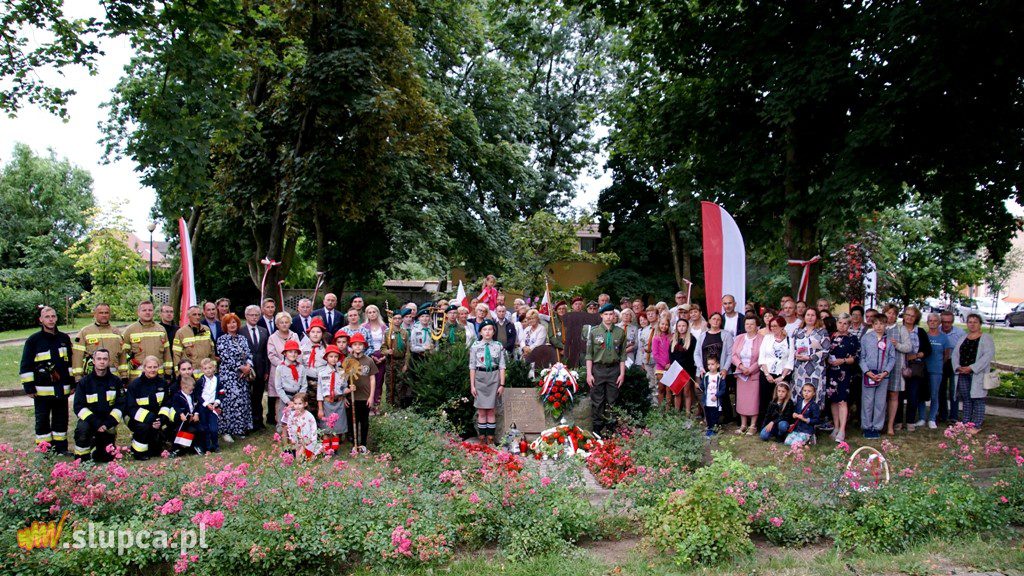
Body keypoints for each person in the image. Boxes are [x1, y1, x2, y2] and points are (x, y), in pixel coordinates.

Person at [20, 306, 73, 454]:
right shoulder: (33, 340)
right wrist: (29, 386)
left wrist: (72, 383)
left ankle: (61, 449)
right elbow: (26, 364)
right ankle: (44, 450)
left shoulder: (64, 338)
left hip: (61, 389)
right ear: (41, 320)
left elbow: (69, 363)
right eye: (47, 317)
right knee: (42, 420)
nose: (51, 319)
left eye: (53, 316)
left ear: (56, 318)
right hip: (41, 390)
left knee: (61, 420)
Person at [72, 348, 122, 461]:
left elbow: (120, 406)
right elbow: (78, 407)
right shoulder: (84, 382)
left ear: (109, 361)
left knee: (106, 458)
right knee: (82, 430)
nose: (102, 361)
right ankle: (82, 456)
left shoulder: (116, 381)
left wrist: (107, 423)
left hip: (107, 423)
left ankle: (97, 445)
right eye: (99, 359)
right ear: (93, 361)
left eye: (105, 359)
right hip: (89, 420)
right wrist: (96, 423)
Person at [585, 304, 627, 437]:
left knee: (612, 400)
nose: (609, 317)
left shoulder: (620, 333)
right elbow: (589, 355)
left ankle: (611, 429)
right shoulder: (594, 332)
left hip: (614, 370)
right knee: (597, 400)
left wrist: (622, 374)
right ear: (601, 315)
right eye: (606, 314)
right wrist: (589, 374)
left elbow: (622, 356)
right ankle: (597, 430)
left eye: (611, 314)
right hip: (598, 370)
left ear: (614, 316)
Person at [951, 314, 995, 430]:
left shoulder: (986, 338)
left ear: (980, 324)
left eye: (975, 322)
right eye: (970, 322)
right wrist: (958, 367)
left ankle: (976, 425)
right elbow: (955, 354)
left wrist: (972, 368)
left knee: (978, 399)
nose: (972, 324)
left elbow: (987, 356)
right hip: (962, 373)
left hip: (977, 374)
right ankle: (966, 423)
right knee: (966, 399)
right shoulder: (963, 338)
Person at [124, 355, 173, 460]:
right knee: (143, 427)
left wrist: (161, 419)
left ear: (159, 368)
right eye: (149, 367)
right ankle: (138, 452)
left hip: (157, 420)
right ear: (144, 368)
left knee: (155, 451)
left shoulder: (163, 383)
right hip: (137, 419)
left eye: (155, 367)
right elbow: (131, 408)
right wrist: (152, 419)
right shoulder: (135, 385)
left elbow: (166, 404)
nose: (152, 370)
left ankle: (158, 442)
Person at [216, 312, 253, 442]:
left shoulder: (242, 338)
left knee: (242, 401)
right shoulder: (222, 339)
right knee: (230, 402)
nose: (232, 325)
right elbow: (225, 357)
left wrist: (248, 366)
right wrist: (240, 367)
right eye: (229, 323)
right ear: (225, 325)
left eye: (234, 322)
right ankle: (226, 431)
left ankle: (240, 429)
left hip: (242, 377)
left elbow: (249, 354)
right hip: (229, 376)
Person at [469, 320, 506, 444]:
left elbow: (502, 366)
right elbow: (472, 367)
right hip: (480, 378)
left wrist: (502, 384)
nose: (487, 332)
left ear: (493, 331)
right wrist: (472, 385)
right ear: (480, 332)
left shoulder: (498, 346)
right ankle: (481, 438)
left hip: (494, 378)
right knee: (481, 411)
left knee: (491, 410)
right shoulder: (475, 346)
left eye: (490, 329)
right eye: (485, 329)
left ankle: (490, 438)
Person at [859, 315, 895, 439]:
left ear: (886, 325)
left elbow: (892, 358)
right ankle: (867, 426)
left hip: (883, 376)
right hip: (869, 375)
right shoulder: (866, 339)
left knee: (880, 402)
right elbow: (861, 357)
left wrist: (885, 372)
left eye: (882, 324)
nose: (879, 326)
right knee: (868, 401)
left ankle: (877, 426)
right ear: (872, 325)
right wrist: (867, 371)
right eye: (876, 324)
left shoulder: (889, 340)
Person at [883, 304, 917, 435]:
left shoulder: (901, 329)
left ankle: (891, 425)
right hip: (881, 367)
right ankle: (881, 423)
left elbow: (909, 347)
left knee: (894, 395)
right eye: (888, 313)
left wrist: (896, 344)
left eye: (893, 313)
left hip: (896, 367)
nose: (890, 315)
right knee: (881, 396)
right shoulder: (879, 327)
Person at [826, 313, 860, 443]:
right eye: (840, 322)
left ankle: (842, 430)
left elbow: (856, 357)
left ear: (849, 325)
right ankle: (836, 426)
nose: (842, 325)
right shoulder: (830, 337)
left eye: (845, 323)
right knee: (833, 400)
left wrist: (843, 360)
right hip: (831, 372)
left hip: (844, 373)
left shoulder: (853, 339)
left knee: (842, 401)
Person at [72, 303, 125, 381]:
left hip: (113, 378)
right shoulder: (85, 332)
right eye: (101, 313)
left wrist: (124, 375)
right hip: (92, 378)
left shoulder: (116, 332)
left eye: (106, 313)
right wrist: (78, 377)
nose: (104, 315)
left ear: (109, 314)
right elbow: (77, 356)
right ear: (95, 314)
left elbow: (122, 355)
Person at [122, 300, 174, 379]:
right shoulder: (130, 330)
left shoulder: (161, 330)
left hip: (158, 376)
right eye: (144, 310)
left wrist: (168, 373)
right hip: (137, 377)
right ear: (138, 312)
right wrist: (125, 373)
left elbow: (167, 354)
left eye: (150, 310)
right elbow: (123, 354)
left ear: (153, 312)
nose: (147, 312)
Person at [758, 317, 795, 426]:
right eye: (771, 326)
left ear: (782, 326)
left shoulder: (790, 340)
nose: (773, 328)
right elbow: (762, 358)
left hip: (782, 375)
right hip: (767, 373)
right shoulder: (767, 338)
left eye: (775, 326)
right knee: (765, 399)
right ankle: (763, 425)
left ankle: (779, 424)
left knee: (781, 400)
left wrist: (782, 377)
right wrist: (767, 374)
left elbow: (790, 360)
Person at [791, 308, 830, 409]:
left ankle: (813, 419)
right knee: (800, 391)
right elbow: (791, 348)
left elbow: (826, 350)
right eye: (808, 315)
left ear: (816, 317)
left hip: (815, 368)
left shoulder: (822, 332)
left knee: (814, 392)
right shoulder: (798, 331)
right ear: (804, 317)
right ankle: (799, 418)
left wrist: (810, 357)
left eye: (813, 315)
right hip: (800, 369)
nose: (810, 317)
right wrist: (795, 354)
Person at [900, 306, 931, 431]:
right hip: (900, 366)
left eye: (912, 316)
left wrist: (917, 355)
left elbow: (928, 350)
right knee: (899, 395)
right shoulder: (898, 329)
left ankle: (910, 421)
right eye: (907, 314)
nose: (909, 317)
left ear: (916, 318)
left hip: (915, 367)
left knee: (913, 395)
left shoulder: (920, 331)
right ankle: (897, 421)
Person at [317, 345, 353, 452]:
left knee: (337, 428)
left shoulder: (342, 372)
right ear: (326, 358)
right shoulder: (322, 373)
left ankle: (335, 449)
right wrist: (320, 408)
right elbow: (320, 392)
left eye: (336, 356)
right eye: (331, 356)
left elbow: (343, 388)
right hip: (327, 403)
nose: (333, 359)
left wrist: (349, 390)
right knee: (326, 428)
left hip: (339, 403)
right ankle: (326, 450)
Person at [267, 312, 299, 427]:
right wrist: (283, 364)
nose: (284, 325)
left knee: (294, 396)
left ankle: (294, 422)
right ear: (277, 324)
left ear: (290, 323)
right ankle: (280, 423)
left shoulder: (294, 335)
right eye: (281, 323)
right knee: (279, 396)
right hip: (278, 369)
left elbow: (298, 351)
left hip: (293, 369)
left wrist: (294, 363)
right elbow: (271, 355)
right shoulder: (272, 338)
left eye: (286, 322)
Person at [732, 317, 763, 435]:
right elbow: (733, 355)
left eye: (751, 324)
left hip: (754, 374)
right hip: (741, 373)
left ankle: (753, 425)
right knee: (742, 399)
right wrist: (741, 366)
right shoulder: (739, 338)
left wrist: (750, 369)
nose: (749, 326)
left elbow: (762, 358)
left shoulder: (761, 339)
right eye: (747, 324)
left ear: (757, 326)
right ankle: (743, 424)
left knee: (753, 399)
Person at [921, 313, 952, 429]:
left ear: (939, 323)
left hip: (937, 370)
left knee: (935, 394)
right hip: (923, 370)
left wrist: (939, 364)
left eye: (935, 321)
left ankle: (932, 418)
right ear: (927, 322)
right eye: (930, 320)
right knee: (922, 395)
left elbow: (946, 354)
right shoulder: (924, 335)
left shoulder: (944, 337)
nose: (933, 322)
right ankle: (922, 418)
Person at [242, 305, 271, 430]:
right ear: (246, 316)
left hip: (260, 368)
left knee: (258, 396)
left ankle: (258, 422)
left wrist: (266, 370)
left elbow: (266, 352)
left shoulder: (264, 330)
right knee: (247, 397)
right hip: (246, 370)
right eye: (251, 315)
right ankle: (247, 423)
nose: (254, 317)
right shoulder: (240, 331)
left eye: (256, 315)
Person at [347, 332, 378, 449]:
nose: (358, 347)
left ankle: (363, 444)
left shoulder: (369, 361)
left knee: (364, 422)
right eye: (355, 344)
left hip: (365, 397)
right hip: (352, 397)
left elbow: (372, 379)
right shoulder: (348, 360)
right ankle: (353, 444)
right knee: (352, 421)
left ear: (364, 346)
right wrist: (345, 395)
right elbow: (343, 380)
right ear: (352, 346)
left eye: (360, 344)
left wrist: (371, 396)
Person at [939, 310, 967, 423]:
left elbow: (964, 350)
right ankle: (942, 414)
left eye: (949, 322)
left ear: (952, 322)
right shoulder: (937, 331)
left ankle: (954, 415)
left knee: (953, 389)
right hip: (941, 363)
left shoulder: (960, 333)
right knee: (941, 389)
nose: (946, 324)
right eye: (944, 322)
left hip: (955, 363)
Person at [168, 373, 205, 457]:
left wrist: (196, 413)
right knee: (179, 432)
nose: (191, 391)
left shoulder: (192, 395)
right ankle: (175, 450)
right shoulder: (177, 396)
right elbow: (175, 406)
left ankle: (197, 447)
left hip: (192, 418)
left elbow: (196, 405)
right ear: (184, 387)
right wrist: (181, 414)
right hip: (183, 418)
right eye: (190, 390)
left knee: (200, 430)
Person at [275, 339, 306, 431]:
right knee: (284, 423)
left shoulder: (301, 368)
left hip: (298, 397)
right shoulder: (280, 368)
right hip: (285, 397)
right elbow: (278, 387)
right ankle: (283, 435)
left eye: (295, 352)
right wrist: (288, 402)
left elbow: (304, 385)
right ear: (285, 353)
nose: (293, 354)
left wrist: (299, 400)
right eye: (290, 352)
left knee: (298, 422)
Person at [380, 310, 411, 406]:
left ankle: (398, 405)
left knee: (400, 384)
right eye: (395, 318)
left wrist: (406, 364)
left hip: (401, 361)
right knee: (390, 383)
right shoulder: (387, 333)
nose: (397, 320)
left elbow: (407, 351)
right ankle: (390, 405)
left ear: (402, 320)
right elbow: (382, 347)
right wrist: (387, 352)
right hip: (391, 362)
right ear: (392, 320)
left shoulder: (405, 333)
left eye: (399, 318)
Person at [173, 306, 216, 372]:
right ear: (188, 316)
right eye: (194, 314)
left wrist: (214, 369)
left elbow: (212, 351)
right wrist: (178, 373)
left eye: (199, 314)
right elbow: (176, 355)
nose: (197, 317)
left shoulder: (206, 329)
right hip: (189, 374)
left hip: (206, 373)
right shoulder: (181, 332)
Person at [196, 358, 223, 453]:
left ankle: (216, 445)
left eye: (210, 368)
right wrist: (206, 404)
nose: (208, 370)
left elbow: (221, 391)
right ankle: (207, 447)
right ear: (202, 370)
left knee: (214, 428)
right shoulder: (200, 381)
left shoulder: (218, 379)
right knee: (205, 428)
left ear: (214, 368)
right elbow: (197, 395)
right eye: (205, 368)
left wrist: (217, 401)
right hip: (204, 406)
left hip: (214, 406)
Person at [286, 393, 321, 460]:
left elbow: (313, 428)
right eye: (295, 404)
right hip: (296, 438)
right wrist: (291, 438)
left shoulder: (309, 415)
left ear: (305, 404)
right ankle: (303, 460)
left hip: (306, 439)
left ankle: (306, 459)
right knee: (298, 453)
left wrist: (313, 439)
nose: (297, 406)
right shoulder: (292, 415)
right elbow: (289, 427)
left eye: (300, 404)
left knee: (303, 456)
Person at [300, 316, 328, 397]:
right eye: (313, 332)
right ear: (309, 333)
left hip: (324, 383)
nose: (315, 334)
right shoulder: (302, 349)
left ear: (322, 334)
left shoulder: (327, 349)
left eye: (318, 332)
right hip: (307, 383)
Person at [698, 356, 724, 437]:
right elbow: (702, 387)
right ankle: (709, 429)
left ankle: (714, 429)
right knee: (708, 416)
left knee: (715, 416)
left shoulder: (720, 376)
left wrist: (717, 395)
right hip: (707, 401)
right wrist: (698, 386)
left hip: (716, 402)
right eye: (708, 364)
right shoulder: (706, 376)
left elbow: (723, 389)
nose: (710, 366)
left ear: (718, 365)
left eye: (712, 364)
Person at [651, 317, 673, 407]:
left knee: (669, 390)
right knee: (661, 389)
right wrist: (664, 364)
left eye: (666, 324)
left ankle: (668, 410)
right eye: (662, 324)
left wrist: (670, 364)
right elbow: (655, 355)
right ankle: (661, 410)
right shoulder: (656, 338)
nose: (664, 326)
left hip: (671, 367)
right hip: (661, 368)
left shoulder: (671, 337)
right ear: (659, 325)